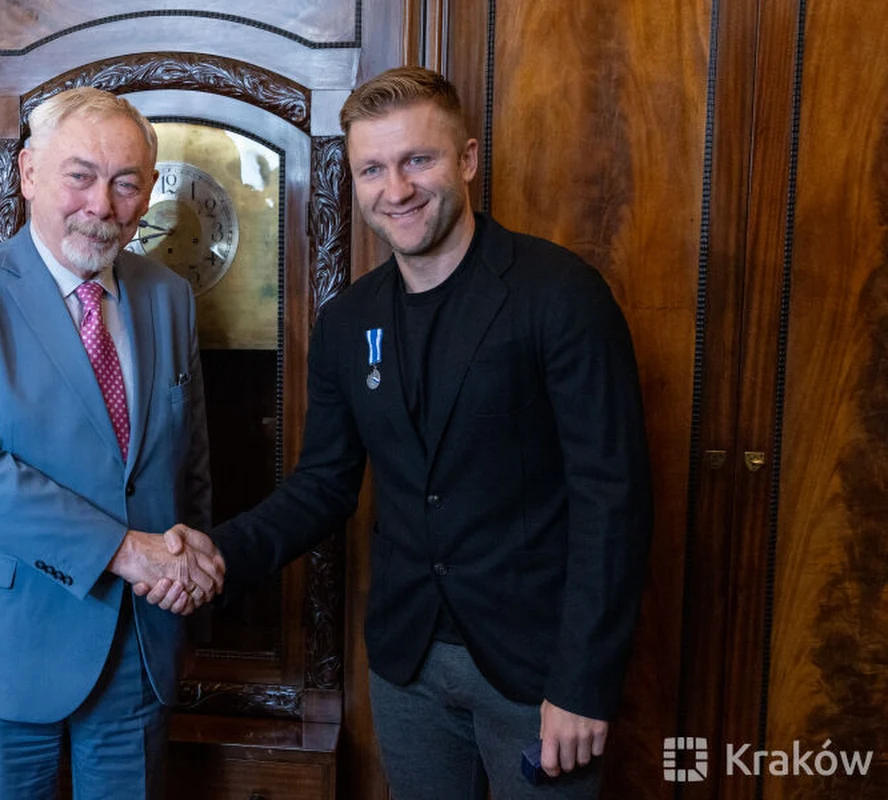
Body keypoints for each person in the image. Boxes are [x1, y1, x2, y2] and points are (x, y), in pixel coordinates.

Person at [139, 66, 652, 799]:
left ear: (468, 159)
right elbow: (322, 487)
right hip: (407, 667)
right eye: (372, 169)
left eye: (419, 160)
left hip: (539, 674)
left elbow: (613, 500)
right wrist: (217, 551)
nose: (397, 189)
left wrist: (585, 682)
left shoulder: (559, 295)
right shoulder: (349, 322)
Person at [0, 87, 224, 800]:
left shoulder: (169, 295)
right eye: (80, 176)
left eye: (126, 182)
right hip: (5, 646)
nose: (101, 206)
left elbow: (186, 461)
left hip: (138, 646)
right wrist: (126, 551)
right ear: (28, 174)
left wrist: (182, 562)